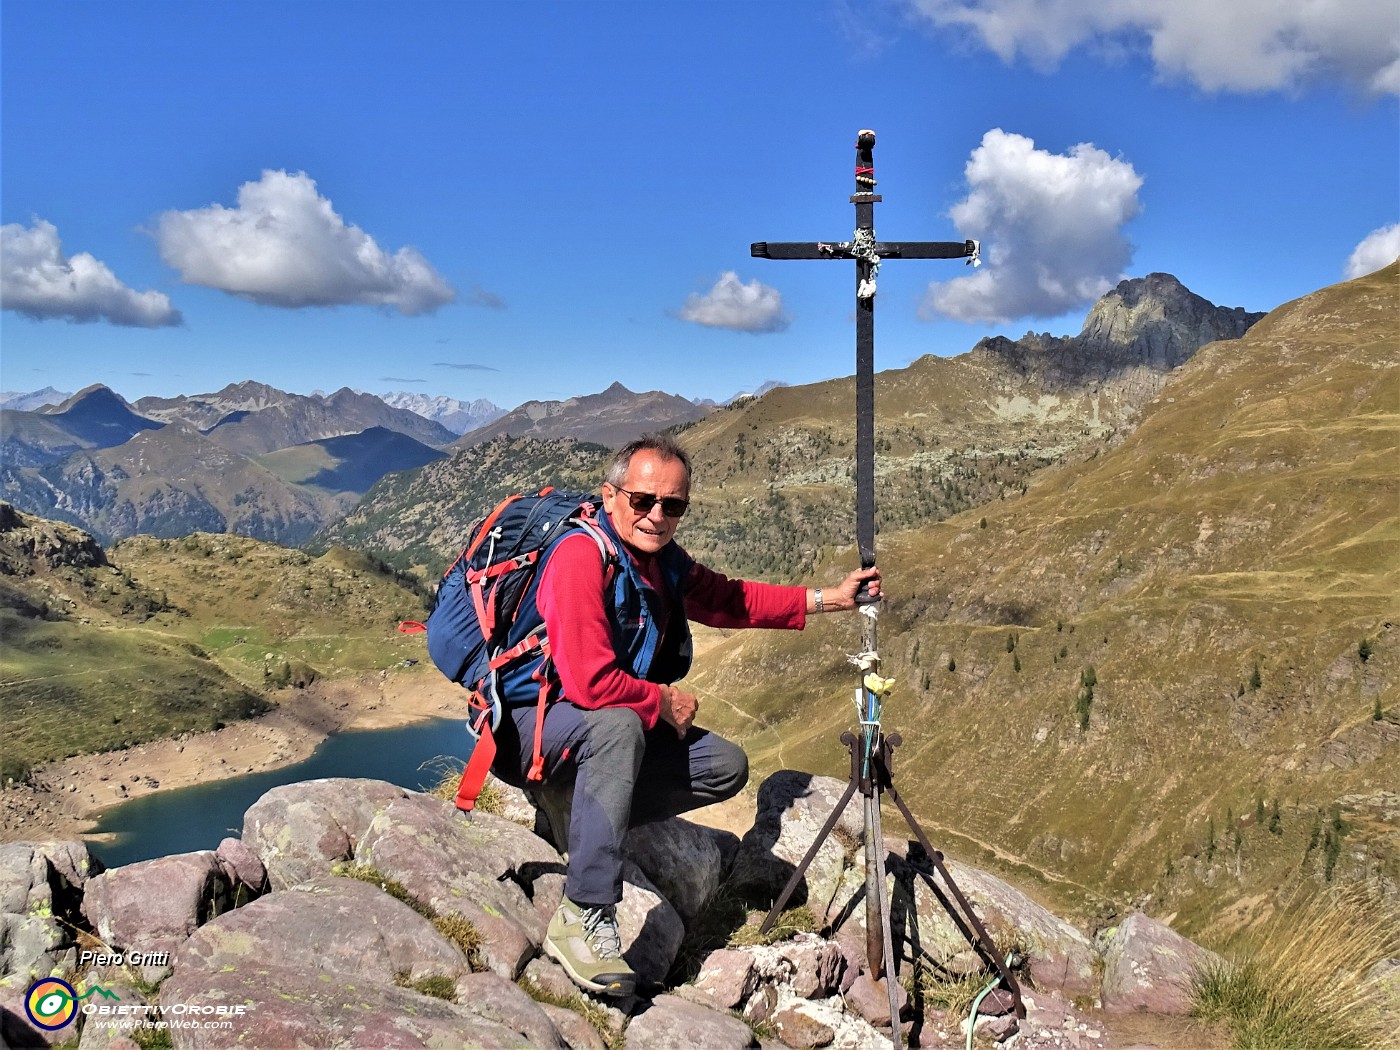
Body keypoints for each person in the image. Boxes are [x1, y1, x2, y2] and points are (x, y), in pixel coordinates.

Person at [489, 432, 880, 998]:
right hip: (527, 726)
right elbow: (591, 683)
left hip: (583, 727)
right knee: (621, 721)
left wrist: (829, 599)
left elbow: (729, 600)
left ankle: (575, 808)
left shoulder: (660, 561)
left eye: (672, 505)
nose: (656, 515)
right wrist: (661, 702)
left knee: (724, 765)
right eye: (642, 500)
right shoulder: (579, 555)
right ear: (610, 495)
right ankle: (583, 910)